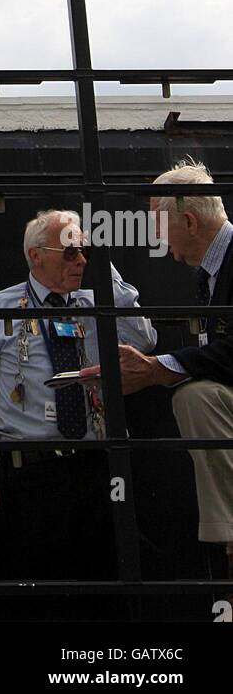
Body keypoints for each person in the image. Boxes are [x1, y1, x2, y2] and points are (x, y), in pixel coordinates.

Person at [0, 208, 156, 610]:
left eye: (83, 251)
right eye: (68, 252)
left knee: (101, 594)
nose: (79, 260)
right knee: (36, 595)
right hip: (31, 473)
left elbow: (146, 340)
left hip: (96, 469)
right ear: (35, 255)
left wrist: (107, 274)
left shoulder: (98, 303)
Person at [82, 160, 233, 578]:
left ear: (187, 220)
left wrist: (158, 369)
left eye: (158, 226)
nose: (157, 239)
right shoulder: (212, 271)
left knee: (196, 397)